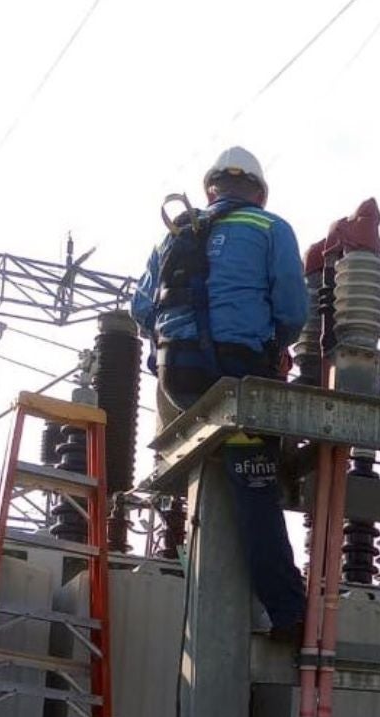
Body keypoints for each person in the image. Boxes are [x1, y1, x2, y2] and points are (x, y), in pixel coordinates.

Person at [130, 145, 309, 641]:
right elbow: (293, 309)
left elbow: (141, 309)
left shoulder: (174, 236)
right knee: (256, 487)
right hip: (235, 379)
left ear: (211, 189)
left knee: (213, 468)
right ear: (258, 191)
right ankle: (288, 610)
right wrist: (275, 343)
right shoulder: (272, 229)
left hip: (178, 380)